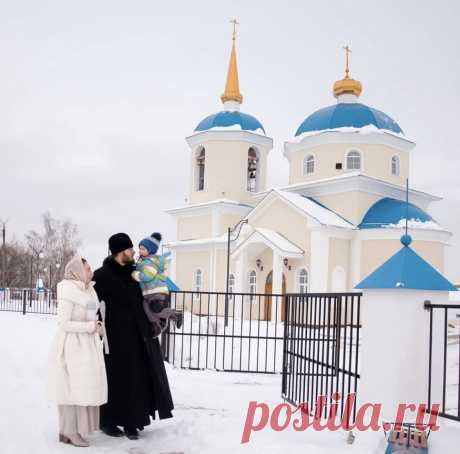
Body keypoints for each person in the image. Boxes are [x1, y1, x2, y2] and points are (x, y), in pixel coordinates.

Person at [92, 233, 174, 440]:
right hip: (115, 338)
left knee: (138, 379)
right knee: (115, 379)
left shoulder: (136, 273)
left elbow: (151, 292)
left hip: (139, 335)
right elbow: (92, 304)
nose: (134, 252)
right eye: (129, 249)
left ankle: (132, 422)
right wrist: (98, 325)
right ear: (120, 252)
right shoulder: (102, 275)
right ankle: (108, 421)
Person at [47, 256, 107, 448]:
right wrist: (89, 327)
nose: (91, 272)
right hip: (72, 346)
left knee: (81, 388)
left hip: (87, 346)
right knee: (70, 388)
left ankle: (70, 431)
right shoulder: (68, 290)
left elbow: (91, 314)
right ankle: (69, 431)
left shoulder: (89, 289)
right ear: (77, 272)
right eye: (87, 269)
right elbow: (63, 323)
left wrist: (97, 325)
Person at [132, 232, 183, 338]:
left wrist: (135, 274)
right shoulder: (144, 261)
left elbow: (147, 276)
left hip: (156, 291)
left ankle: (175, 315)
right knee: (146, 308)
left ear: (150, 250)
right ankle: (157, 325)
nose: (140, 251)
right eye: (140, 248)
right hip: (149, 293)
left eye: (143, 249)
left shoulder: (151, 262)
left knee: (156, 309)